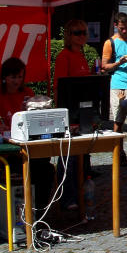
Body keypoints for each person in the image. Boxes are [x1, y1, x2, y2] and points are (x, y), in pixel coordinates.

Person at [0, 57, 54, 214]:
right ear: (4, 78)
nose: (17, 81)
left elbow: (37, 120)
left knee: (47, 170)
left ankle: (38, 213)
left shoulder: (28, 93)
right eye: (13, 77)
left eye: (20, 77)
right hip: (6, 154)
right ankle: (18, 214)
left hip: (27, 150)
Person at [54, 19, 94, 210]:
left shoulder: (82, 55)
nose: (82, 36)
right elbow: (60, 87)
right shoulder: (64, 56)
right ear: (69, 36)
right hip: (69, 113)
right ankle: (67, 198)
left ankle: (80, 196)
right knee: (68, 157)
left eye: (84, 32)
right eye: (77, 33)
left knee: (83, 156)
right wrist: (63, 116)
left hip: (83, 111)